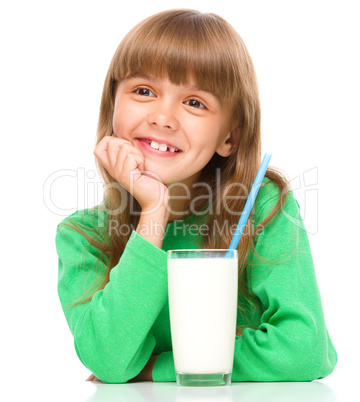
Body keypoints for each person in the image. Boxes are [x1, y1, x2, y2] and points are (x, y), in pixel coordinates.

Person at [55, 9, 337, 384]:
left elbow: (304, 352)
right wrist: (153, 214)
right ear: (113, 105)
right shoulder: (83, 237)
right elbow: (108, 359)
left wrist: (159, 366)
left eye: (195, 103)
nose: (163, 117)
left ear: (229, 139)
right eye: (143, 91)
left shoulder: (262, 208)